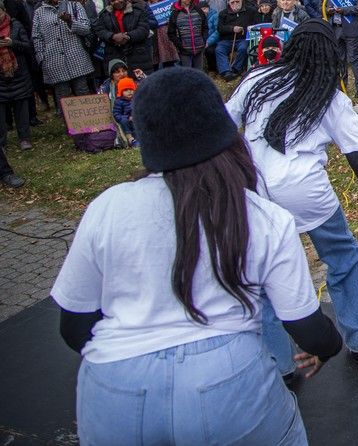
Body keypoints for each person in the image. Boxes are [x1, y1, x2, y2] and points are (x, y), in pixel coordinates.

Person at [51, 67, 342, 444]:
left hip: (113, 385)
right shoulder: (261, 216)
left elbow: (73, 326)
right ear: (226, 136)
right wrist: (328, 347)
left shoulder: (108, 207)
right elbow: (305, 325)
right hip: (227, 380)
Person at [227, 20, 358, 372]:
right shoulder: (331, 95)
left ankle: (279, 363)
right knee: (343, 260)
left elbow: (223, 126)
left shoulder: (256, 79)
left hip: (255, 191)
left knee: (264, 275)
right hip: (306, 192)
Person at [32, 0, 93, 103]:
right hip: (53, 60)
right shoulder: (39, 12)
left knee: (83, 92)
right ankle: (67, 121)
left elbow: (86, 28)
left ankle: (88, 122)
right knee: (63, 96)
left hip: (76, 56)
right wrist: (41, 57)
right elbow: (36, 36)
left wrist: (70, 21)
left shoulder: (75, 6)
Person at [0, 0, 34, 150]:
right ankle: (2, 142)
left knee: (21, 107)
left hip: (19, 72)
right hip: (0, 76)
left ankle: (24, 138)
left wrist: (12, 43)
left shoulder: (15, 25)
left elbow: (27, 46)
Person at [167, 0, 209, 70]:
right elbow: (171, 33)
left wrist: (203, 40)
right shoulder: (175, 13)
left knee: (198, 73)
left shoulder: (198, 10)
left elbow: (205, 27)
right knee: (187, 73)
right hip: (184, 50)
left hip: (199, 47)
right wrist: (180, 45)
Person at [215, 0, 253, 80]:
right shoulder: (223, 13)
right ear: (228, 3)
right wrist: (232, 29)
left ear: (241, 1)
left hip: (242, 39)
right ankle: (225, 71)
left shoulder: (250, 11)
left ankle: (235, 69)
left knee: (243, 48)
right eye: (232, 2)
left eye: (237, 1)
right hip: (226, 40)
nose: (235, 4)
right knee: (219, 50)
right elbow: (220, 28)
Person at [113, 77, 138, 146]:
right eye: (126, 90)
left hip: (136, 119)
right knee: (124, 121)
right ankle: (130, 138)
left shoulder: (136, 99)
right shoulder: (119, 101)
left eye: (131, 89)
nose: (129, 91)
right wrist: (127, 117)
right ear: (121, 92)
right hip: (126, 121)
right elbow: (116, 114)